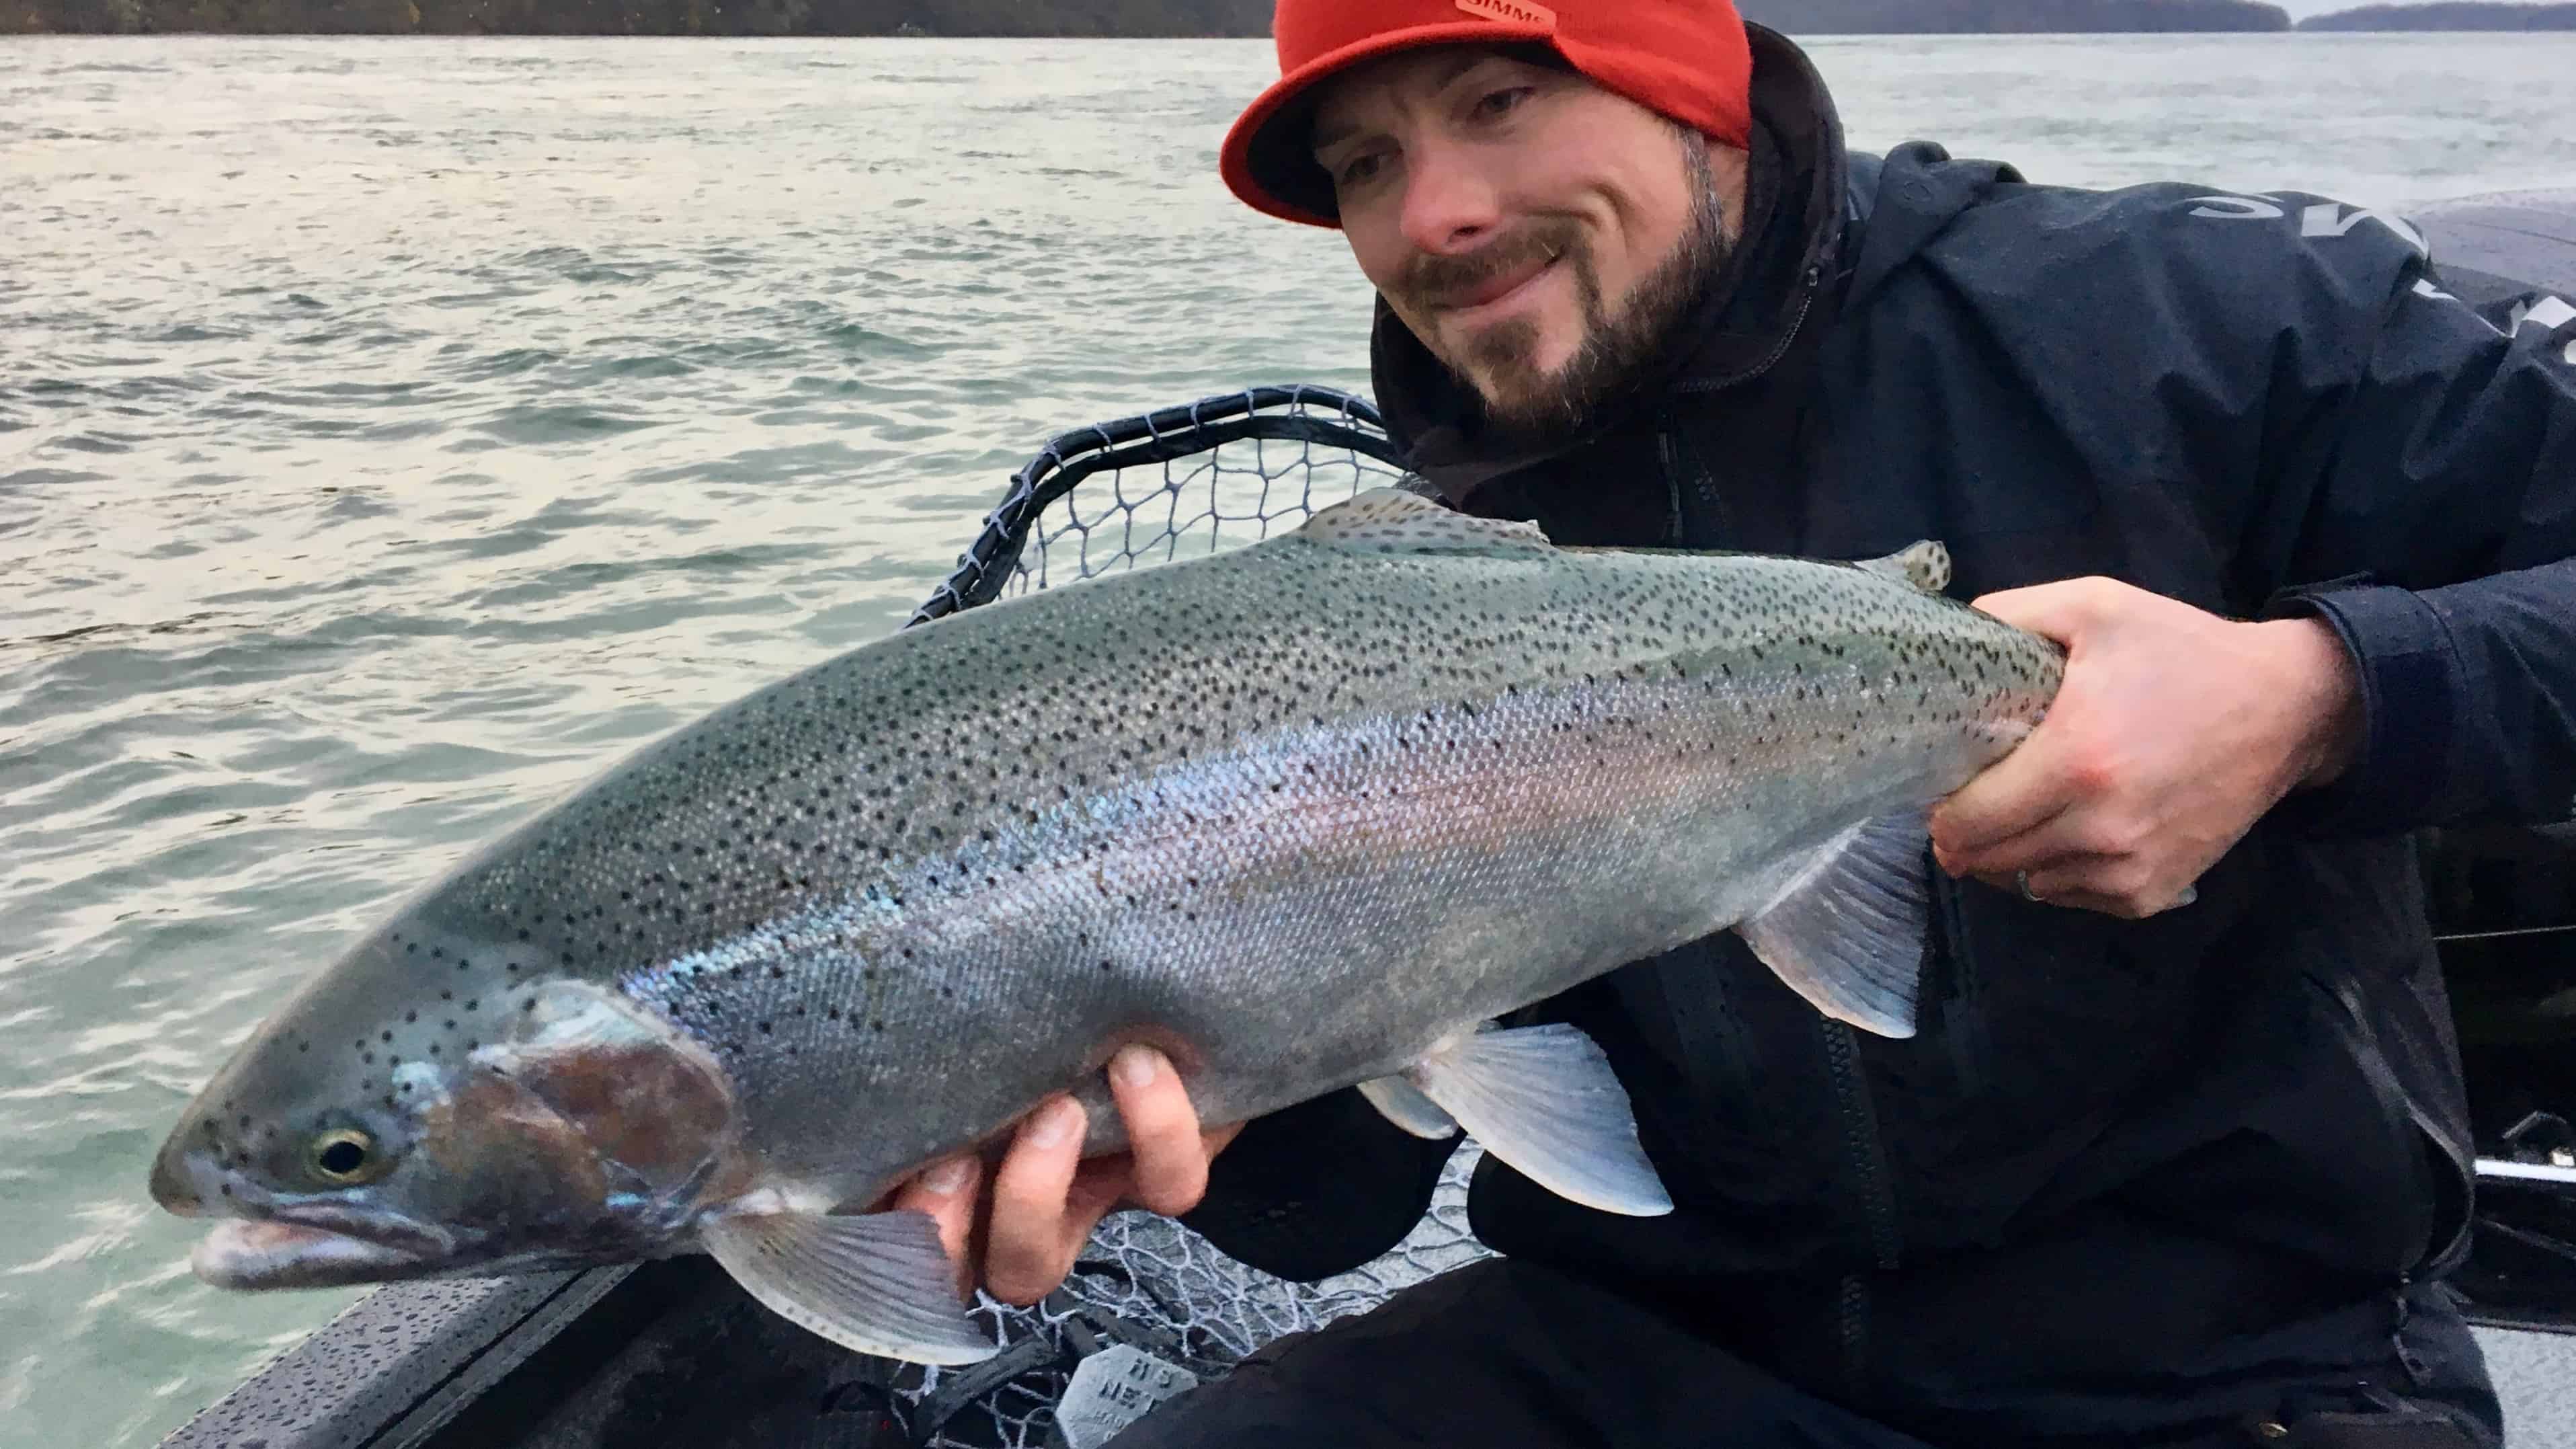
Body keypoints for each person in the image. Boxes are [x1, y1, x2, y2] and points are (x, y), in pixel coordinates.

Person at [885, 3, 2576, 1444]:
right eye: (1361, 163)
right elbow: (1342, 1210)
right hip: (1652, 1347)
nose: (1435, 215)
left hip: (2240, 1363)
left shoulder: (2193, 321)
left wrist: (2322, 695)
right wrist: (1219, 1101)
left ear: (1684, 76)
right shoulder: (1431, 554)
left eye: (1498, 99)